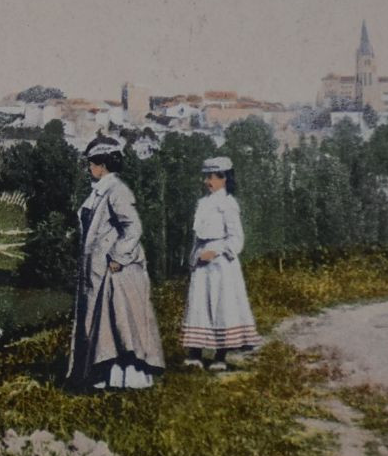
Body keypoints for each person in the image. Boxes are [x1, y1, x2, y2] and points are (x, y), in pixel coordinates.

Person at [68, 136, 165, 390]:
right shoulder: (100, 191)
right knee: (101, 322)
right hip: (97, 268)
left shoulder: (116, 190)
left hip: (114, 271)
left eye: (92, 163)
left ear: (103, 164)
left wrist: (118, 258)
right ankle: (100, 377)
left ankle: (124, 379)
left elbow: (133, 227)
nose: (89, 168)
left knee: (116, 323)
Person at [181, 156, 259, 371]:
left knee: (221, 306)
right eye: (206, 177)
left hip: (221, 265)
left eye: (213, 177)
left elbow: (236, 239)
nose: (208, 182)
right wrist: (194, 257)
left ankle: (220, 356)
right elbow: (198, 236)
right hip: (202, 261)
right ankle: (195, 353)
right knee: (198, 305)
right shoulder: (203, 203)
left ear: (224, 178)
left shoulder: (228, 204)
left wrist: (216, 252)